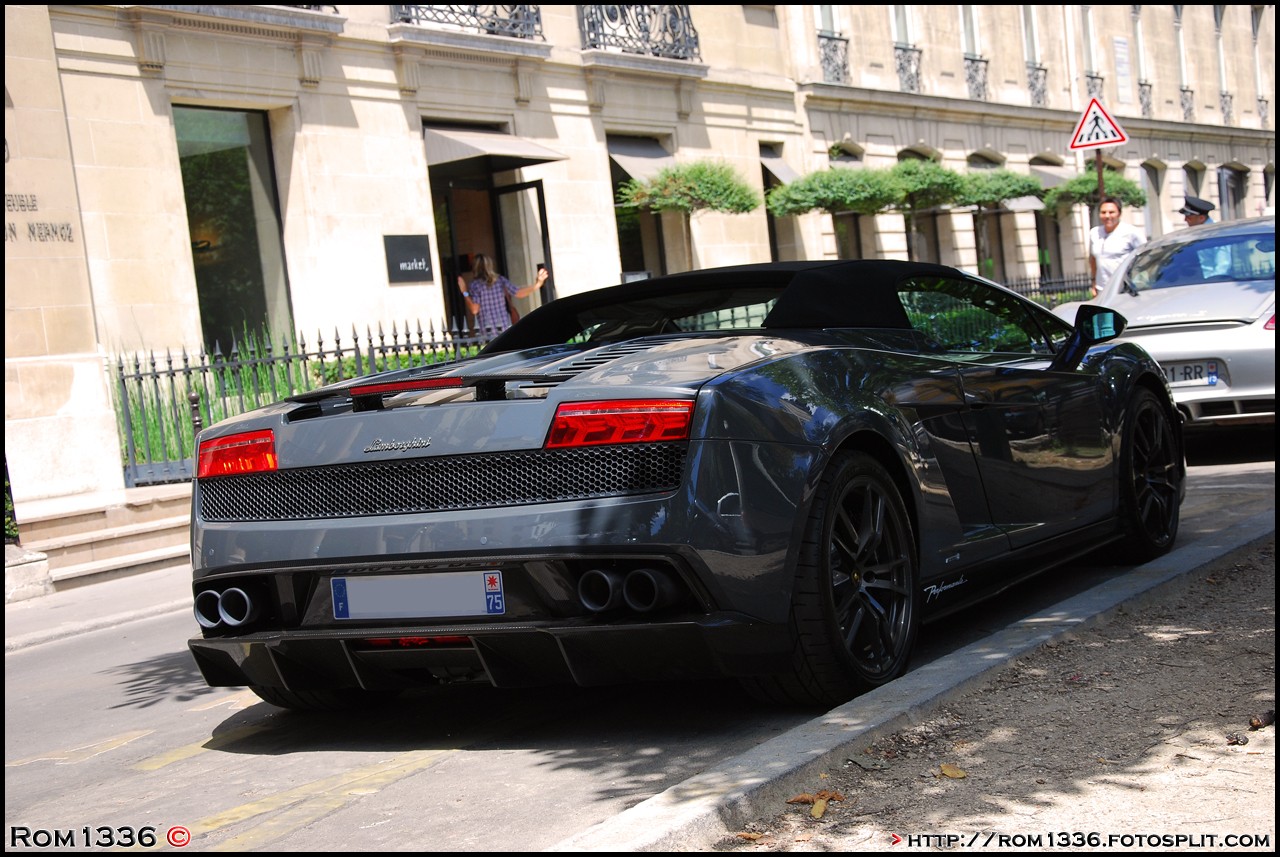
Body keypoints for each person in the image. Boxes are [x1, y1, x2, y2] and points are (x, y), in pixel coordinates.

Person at [456, 253, 548, 335]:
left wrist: (464, 292)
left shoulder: (475, 285)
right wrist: (537, 285)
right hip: (504, 329)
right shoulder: (500, 280)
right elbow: (518, 292)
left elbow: (475, 309)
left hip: (488, 332)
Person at [1088, 196, 1145, 297]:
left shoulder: (1131, 232)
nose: (1107, 216)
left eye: (1111, 212)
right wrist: (1093, 283)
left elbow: (1145, 257)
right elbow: (1093, 259)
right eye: (1103, 212)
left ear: (1119, 213)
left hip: (1125, 290)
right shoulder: (1094, 233)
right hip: (1102, 290)